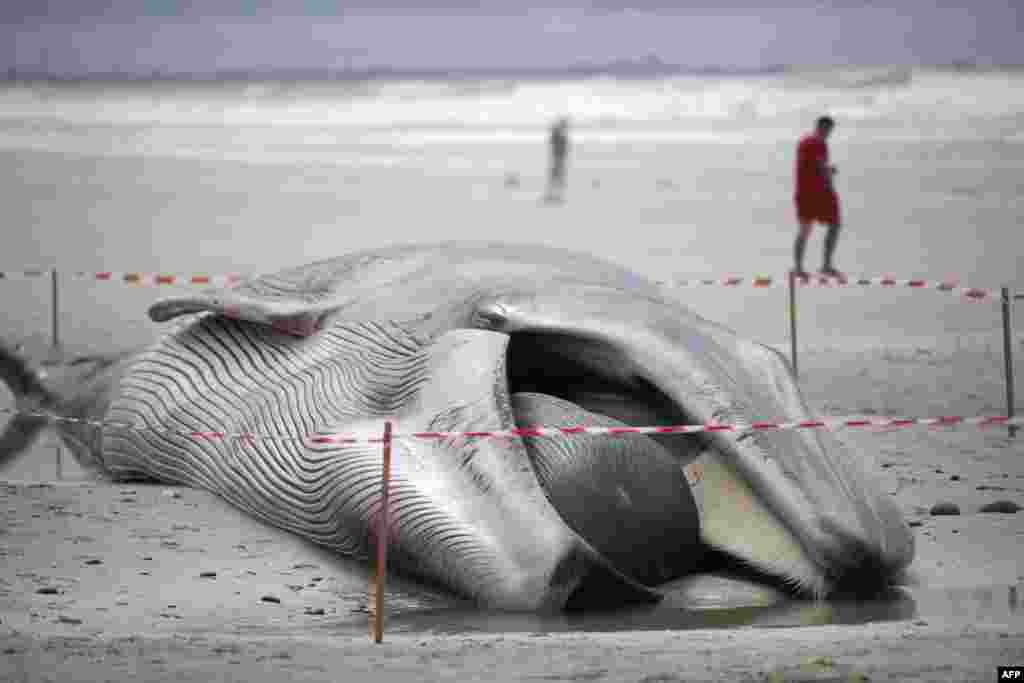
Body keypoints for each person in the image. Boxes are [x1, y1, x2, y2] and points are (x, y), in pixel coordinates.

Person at [793, 115, 842, 278]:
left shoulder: (804, 142)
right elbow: (821, 168)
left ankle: (798, 268)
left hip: (803, 192)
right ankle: (826, 265)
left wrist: (827, 169)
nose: (829, 133)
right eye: (828, 130)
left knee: (804, 230)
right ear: (822, 127)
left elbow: (811, 165)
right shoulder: (819, 143)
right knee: (834, 224)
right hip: (818, 192)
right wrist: (830, 174)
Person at [545, 117, 570, 203]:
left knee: (557, 175)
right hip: (558, 157)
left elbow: (561, 145)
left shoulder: (559, 134)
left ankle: (555, 194)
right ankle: (553, 195)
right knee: (557, 175)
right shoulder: (558, 134)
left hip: (559, 156)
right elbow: (557, 145)